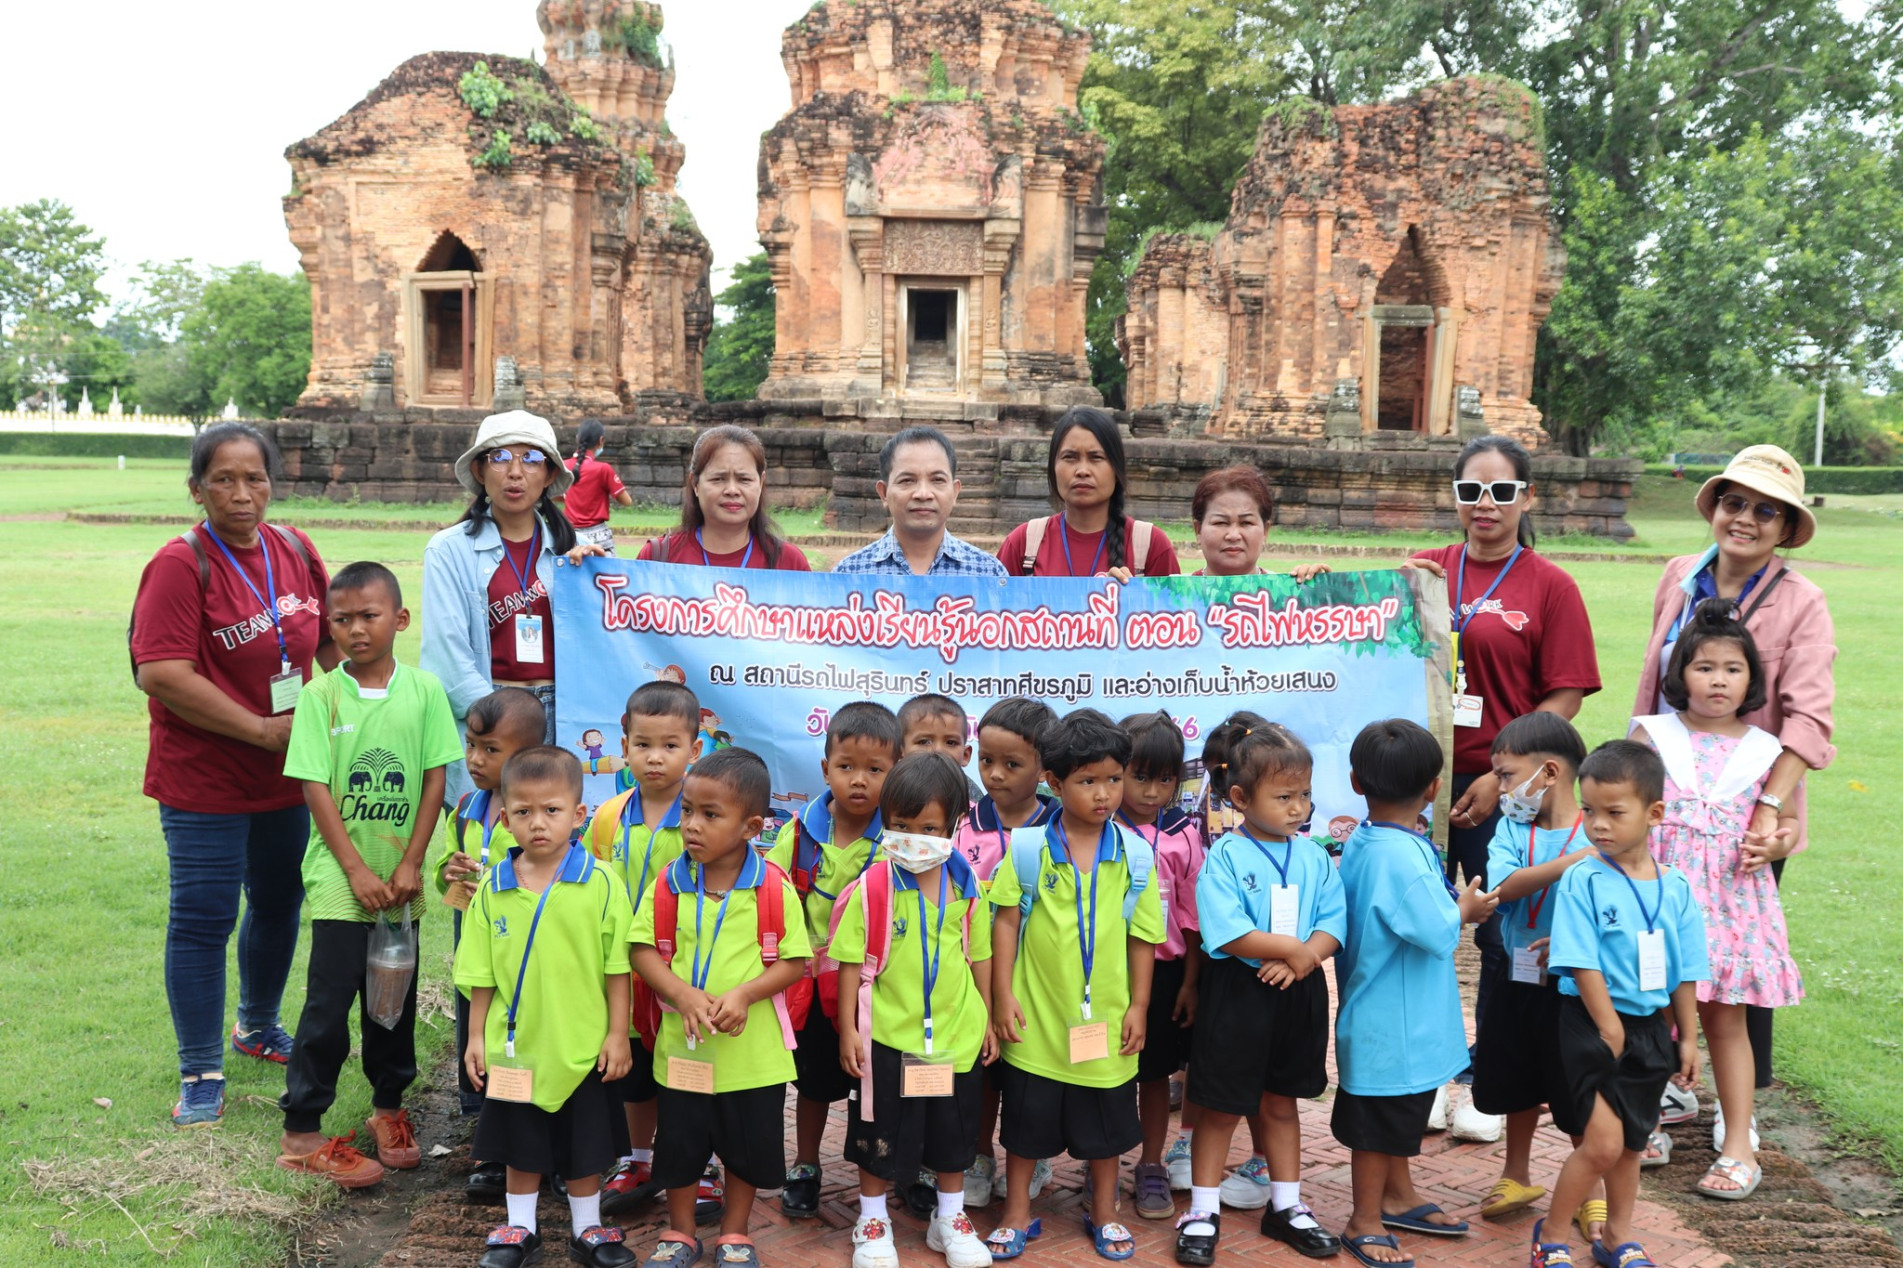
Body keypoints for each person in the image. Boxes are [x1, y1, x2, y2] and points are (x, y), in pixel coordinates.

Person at [131, 421, 335, 1128]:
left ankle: (255, 1025)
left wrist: (352, 717)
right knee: (203, 918)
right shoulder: (181, 565)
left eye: (254, 478)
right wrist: (257, 729)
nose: (242, 493)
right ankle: (199, 1068)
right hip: (206, 778)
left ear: (272, 483)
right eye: (224, 479)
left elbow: (332, 640)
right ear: (197, 489)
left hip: (286, 775)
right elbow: (159, 672)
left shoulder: (295, 548)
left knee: (278, 902)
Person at [1401, 434, 1600, 1140]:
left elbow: (1565, 695)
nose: (1484, 505)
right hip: (1417, 790)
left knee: (1495, 937)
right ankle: (1417, 1073)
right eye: (1469, 491)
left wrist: (1494, 775)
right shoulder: (1424, 573)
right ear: (1452, 498)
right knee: (1418, 928)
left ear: (1526, 497)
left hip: (1503, 791)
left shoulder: (1549, 585)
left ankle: (1480, 1080)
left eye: (1501, 491)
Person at [1630, 444, 1835, 1103]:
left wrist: (1770, 808)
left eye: (1764, 511)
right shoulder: (1677, 575)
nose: (1743, 519)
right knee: (1655, 947)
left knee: (1740, 962)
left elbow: (1808, 720)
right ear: (1714, 507)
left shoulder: (1800, 600)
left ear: (1784, 528)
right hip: (1663, 803)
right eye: (1733, 502)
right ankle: (1666, 1085)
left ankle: (1738, 1113)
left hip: (1743, 807)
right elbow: (1654, 684)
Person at [277, 562, 463, 1186]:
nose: (356, 629)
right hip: (340, 878)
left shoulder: (425, 691)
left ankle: (389, 1110)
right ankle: (302, 1131)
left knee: (393, 1004)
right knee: (328, 1005)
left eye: (369, 616)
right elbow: (314, 785)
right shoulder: (319, 696)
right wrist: (354, 870)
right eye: (342, 619)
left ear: (400, 620)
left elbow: (436, 777)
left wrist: (412, 861)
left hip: (402, 882)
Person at [1630, 601, 1801, 1200]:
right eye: (1705, 667)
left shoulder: (1767, 749)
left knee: (1728, 1019)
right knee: (1648, 1008)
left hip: (1732, 898)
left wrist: (1774, 840)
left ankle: (1737, 1148)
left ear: (1752, 680)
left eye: (1733, 669)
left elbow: (1792, 827)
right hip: (1660, 892)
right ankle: (1644, 1121)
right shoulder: (1652, 735)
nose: (1719, 680)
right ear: (1681, 674)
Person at [986, 709, 1167, 1263]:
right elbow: (1006, 922)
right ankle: (1017, 1212)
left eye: (1114, 779)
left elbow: (1143, 936)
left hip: (1107, 1024)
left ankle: (1105, 1211)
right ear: (1054, 782)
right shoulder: (1027, 848)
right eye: (1088, 781)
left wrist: (1139, 1005)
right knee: (1023, 1128)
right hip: (1038, 1023)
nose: (1104, 794)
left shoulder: (1136, 856)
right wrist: (1002, 996)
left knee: (1107, 1131)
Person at [629, 748, 813, 1268]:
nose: (692, 825)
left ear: (751, 825)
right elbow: (640, 948)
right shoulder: (668, 883)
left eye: (711, 815)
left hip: (752, 1058)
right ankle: (680, 1230)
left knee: (746, 1149)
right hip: (683, 1055)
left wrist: (745, 994)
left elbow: (794, 963)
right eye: (687, 810)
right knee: (682, 1147)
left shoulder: (773, 888)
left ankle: (736, 1231)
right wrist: (680, 993)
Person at [456, 747, 637, 1268]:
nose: (538, 823)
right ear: (504, 818)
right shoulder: (493, 887)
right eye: (523, 812)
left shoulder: (602, 883)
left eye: (552, 810)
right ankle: (520, 1227)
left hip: (582, 1043)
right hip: (516, 1049)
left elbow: (617, 967)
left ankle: (587, 1229)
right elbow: (478, 974)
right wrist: (474, 1038)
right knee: (520, 1141)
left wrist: (617, 1035)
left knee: (585, 1143)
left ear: (578, 815)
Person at [1534, 742, 1706, 1268]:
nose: (1598, 824)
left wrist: (1688, 1037)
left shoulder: (1674, 888)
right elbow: (1581, 960)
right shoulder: (1583, 879)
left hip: (1651, 1028)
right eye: (1589, 811)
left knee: (1632, 1142)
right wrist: (1609, 1028)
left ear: (1654, 814)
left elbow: (1684, 970)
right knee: (1603, 1145)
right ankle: (1552, 1237)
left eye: (1614, 812)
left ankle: (1617, 1236)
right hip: (1593, 1024)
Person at [1177, 723, 1344, 1265]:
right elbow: (1223, 929)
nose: (1298, 808)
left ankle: (1287, 1206)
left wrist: (1304, 958)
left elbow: (1333, 923)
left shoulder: (1315, 855)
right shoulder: (1224, 855)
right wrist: (1290, 951)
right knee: (1221, 1107)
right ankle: (1202, 1211)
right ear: (1241, 799)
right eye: (1284, 797)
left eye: (1304, 796)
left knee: (1280, 1102)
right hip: (1239, 995)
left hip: (1298, 993)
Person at [1333, 719, 1497, 1266]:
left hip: (1384, 1012)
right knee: (1380, 1124)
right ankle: (1364, 1219)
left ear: (1356, 782)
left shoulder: (1367, 840)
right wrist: (1466, 909)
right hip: (1391, 1022)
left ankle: (1398, 1196)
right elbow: (1435, 931)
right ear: (1434, 786)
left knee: (1398, 1114)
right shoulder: (1401, 856)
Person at [837, 752, 998, 1268]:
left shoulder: (967, 883)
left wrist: (988, 1018)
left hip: (955, 1035)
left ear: (954, 824)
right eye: (900, 825)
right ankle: (872, 1218)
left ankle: (949, 1218)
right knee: (877, 1134)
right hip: (886, 1037)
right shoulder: (873, 887)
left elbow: (979, 954)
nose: (913, 837)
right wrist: (847, 1030)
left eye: (928, 826)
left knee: (955, 1135)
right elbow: (847, 963)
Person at [765, 702, 902, 1218]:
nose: (860, 781)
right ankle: (805, 1165)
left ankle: (902, 1170)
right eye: (846, 767)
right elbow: (772, 897)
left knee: (882, 1084)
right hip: (811, 987)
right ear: (825, 769)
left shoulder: (899, 840)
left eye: (876, 770)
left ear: (896, 772)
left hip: (877, 987)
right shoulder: (798, 834)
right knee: (814, 1083)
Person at [1470, 713, 1600, 1235]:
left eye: (1506, 775)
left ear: (1548, 772)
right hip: (1515, 973)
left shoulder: (1598, 827)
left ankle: (1592, 1190)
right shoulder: (1512, 828)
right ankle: (1516, 1174)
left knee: (1576, 1085)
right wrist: (1575, 862)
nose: (1501, 788)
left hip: (1574, 985)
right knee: (1516, 1073)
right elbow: (1502, 888)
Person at [585, 682, 705, 1216]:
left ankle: (701, 1167)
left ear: (695, 750)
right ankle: (638, 1160)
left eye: (671, 745)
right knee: (634, 1073)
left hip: (685, 972)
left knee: (689, 1069)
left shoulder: (703, 813)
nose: (655, 757)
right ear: (624, 742)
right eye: (643, 744)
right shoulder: (608, 817)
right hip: (622, 971)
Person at [423, 411, 581, 801]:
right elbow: (448, 659)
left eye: (531, 459)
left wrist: (593, 582)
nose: (515, 472)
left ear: (547, 476)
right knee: (483, 841)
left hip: (561, 712)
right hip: (486, 718)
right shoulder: (449, 551)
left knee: (550, 844)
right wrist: (503, 725)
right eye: (500, 458)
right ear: (479, 470)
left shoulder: (570, 553)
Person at [434, 687, 550, 1198]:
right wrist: (449, 870)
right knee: (476, 1032)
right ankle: (489, 1142)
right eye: (471, 745)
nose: (475, 760)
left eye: (490, 750)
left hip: (530, 955)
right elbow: (444, 871)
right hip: (477, 952)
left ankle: (548, 1145)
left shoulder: (544, 810)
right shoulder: (466, 807)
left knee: (532, 1035)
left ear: (526, 754)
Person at [949, 696, 1058, 1208]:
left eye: (1011, 764)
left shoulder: (1061, 825)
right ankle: (977, 1154)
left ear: (1043, 766)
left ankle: (1031, 1158)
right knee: (984, 1070)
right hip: (974, 972)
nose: (994, 774)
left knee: (1029, 1074)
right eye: (986, 760)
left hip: (1040, 976)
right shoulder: (961, 824)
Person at [1185, 714, 1284, 1210]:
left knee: (1267, 1081)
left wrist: (1301, 956)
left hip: (1273, 970)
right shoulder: (1211, 832)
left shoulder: (1293, 843)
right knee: (1223, 1072)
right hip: (1224, 960)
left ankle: (1266, 1159)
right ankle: (1205, 1159)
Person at [1115, 712, 1205, 1220]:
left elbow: (1192, 921)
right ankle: (1098, 1162)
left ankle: (1150, 1164)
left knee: (1152, 1076)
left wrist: (1191, 983)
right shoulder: (1099, 828)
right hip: (1105, 974)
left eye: (1164, 778)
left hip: (1167, 976)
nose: (1152, 791)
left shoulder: (1183, 835)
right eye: (1140, 776)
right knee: (1103, 1075)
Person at [998, 407, 1179, 579]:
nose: (1082, 470)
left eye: (1096, 457)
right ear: (1053, 468)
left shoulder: (1152, 546)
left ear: (1117, 470)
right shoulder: (1023, 544)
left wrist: (1129, 598)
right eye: (1070, 457)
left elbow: (1176, 609)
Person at [834, 427, 1008, 578]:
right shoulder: (848, 574)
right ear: (884, 493)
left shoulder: (989, 573)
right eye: (907, 480)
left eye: (937, 480)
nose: (923, 494)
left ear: (955, 492)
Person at [638, 425, 812, 571]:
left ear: (761, 483)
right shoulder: (657, 558)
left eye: (744, 479)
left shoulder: (790, 563)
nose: (732, 490)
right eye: (718, 479)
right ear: (695, 484)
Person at [1189, 466, 1329, 582]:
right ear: (1198, 531)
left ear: (1265, 531)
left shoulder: (1287, 596)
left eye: (1246, 522)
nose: (1233, 536)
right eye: (1220, 522)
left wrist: (1320, 592)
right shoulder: (1171, 597)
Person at [899, 693, 983, 807]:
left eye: (951, 743)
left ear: (965, 755)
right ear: (899, 752)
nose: (938, 751)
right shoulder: (884, 799)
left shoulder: (978, 813)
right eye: (924, 742)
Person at [565, 419, 636, 554]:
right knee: (606, 574)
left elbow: (555, 495)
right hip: (599, 537)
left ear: (577, 439)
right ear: (601, 440)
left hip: (570, 536)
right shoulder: (603, 469)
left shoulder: (564, 466)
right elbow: (627, 501)